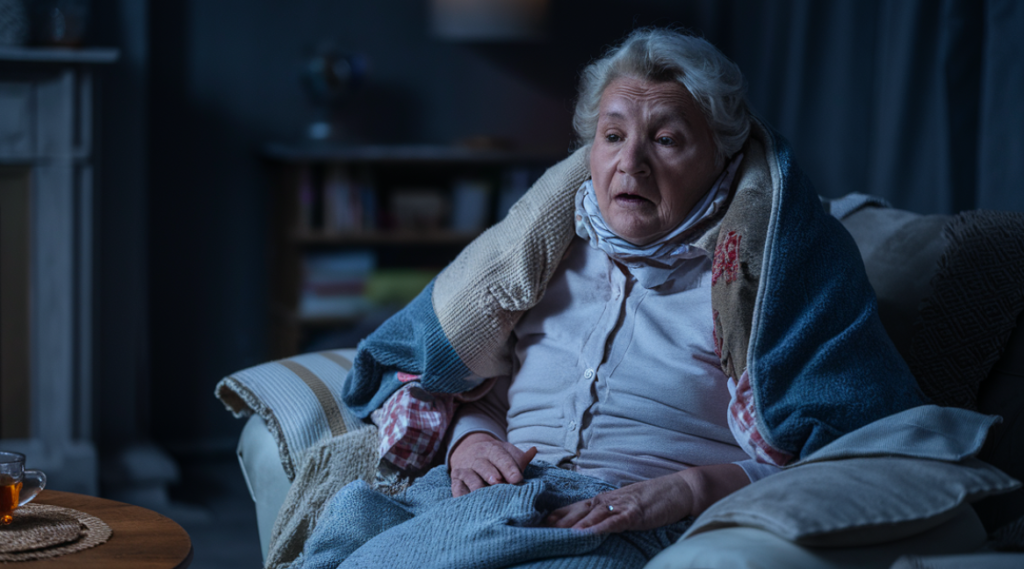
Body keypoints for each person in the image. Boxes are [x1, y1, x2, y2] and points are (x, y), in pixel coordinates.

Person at [304, 27, 926, 569]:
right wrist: (471, 439)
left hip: (618, 518)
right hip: (484, 496)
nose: (631, 163)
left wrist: (686, 490)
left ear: (722, 159)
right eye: (612, 135)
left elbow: (845, 455)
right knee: (346, 531)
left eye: (667, 139)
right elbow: (477, 388)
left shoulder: (765, 280)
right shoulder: (549, 255)